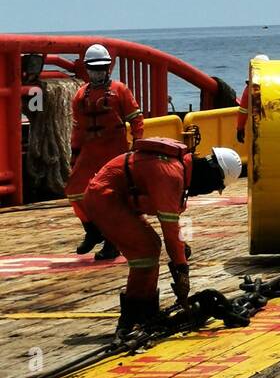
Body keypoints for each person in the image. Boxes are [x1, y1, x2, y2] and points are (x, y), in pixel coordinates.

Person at [83, 138, 243, 340]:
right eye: (212, 187)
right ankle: (131, 316)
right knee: (145, 250)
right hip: (105, 199)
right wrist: (182, 268)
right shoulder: (171, 175)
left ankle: (146, 312)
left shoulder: (177, 169)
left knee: (150, 247)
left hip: (116, 198)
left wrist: (180, 250)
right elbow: (170, 228)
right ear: (211, 177)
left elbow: (171, 228)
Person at [65, 44, 144, 258]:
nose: (98, 72)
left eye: (102, 68)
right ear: (87, 69)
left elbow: (136, 119)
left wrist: (137, 144)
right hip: (90, 152)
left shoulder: (120, 90)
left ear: (108, 68)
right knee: (74, 191)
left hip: (114, 151)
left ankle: (112, 242)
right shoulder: (80, 95)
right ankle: (91, 231)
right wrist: (74, 155)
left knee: (112, 197)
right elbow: (78, 128)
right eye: (93, 68)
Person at [235, 54, 267, 144]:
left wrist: (240, 129)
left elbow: (243, 110)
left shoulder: (250, 87)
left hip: (257, 125)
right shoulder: (274, 83)